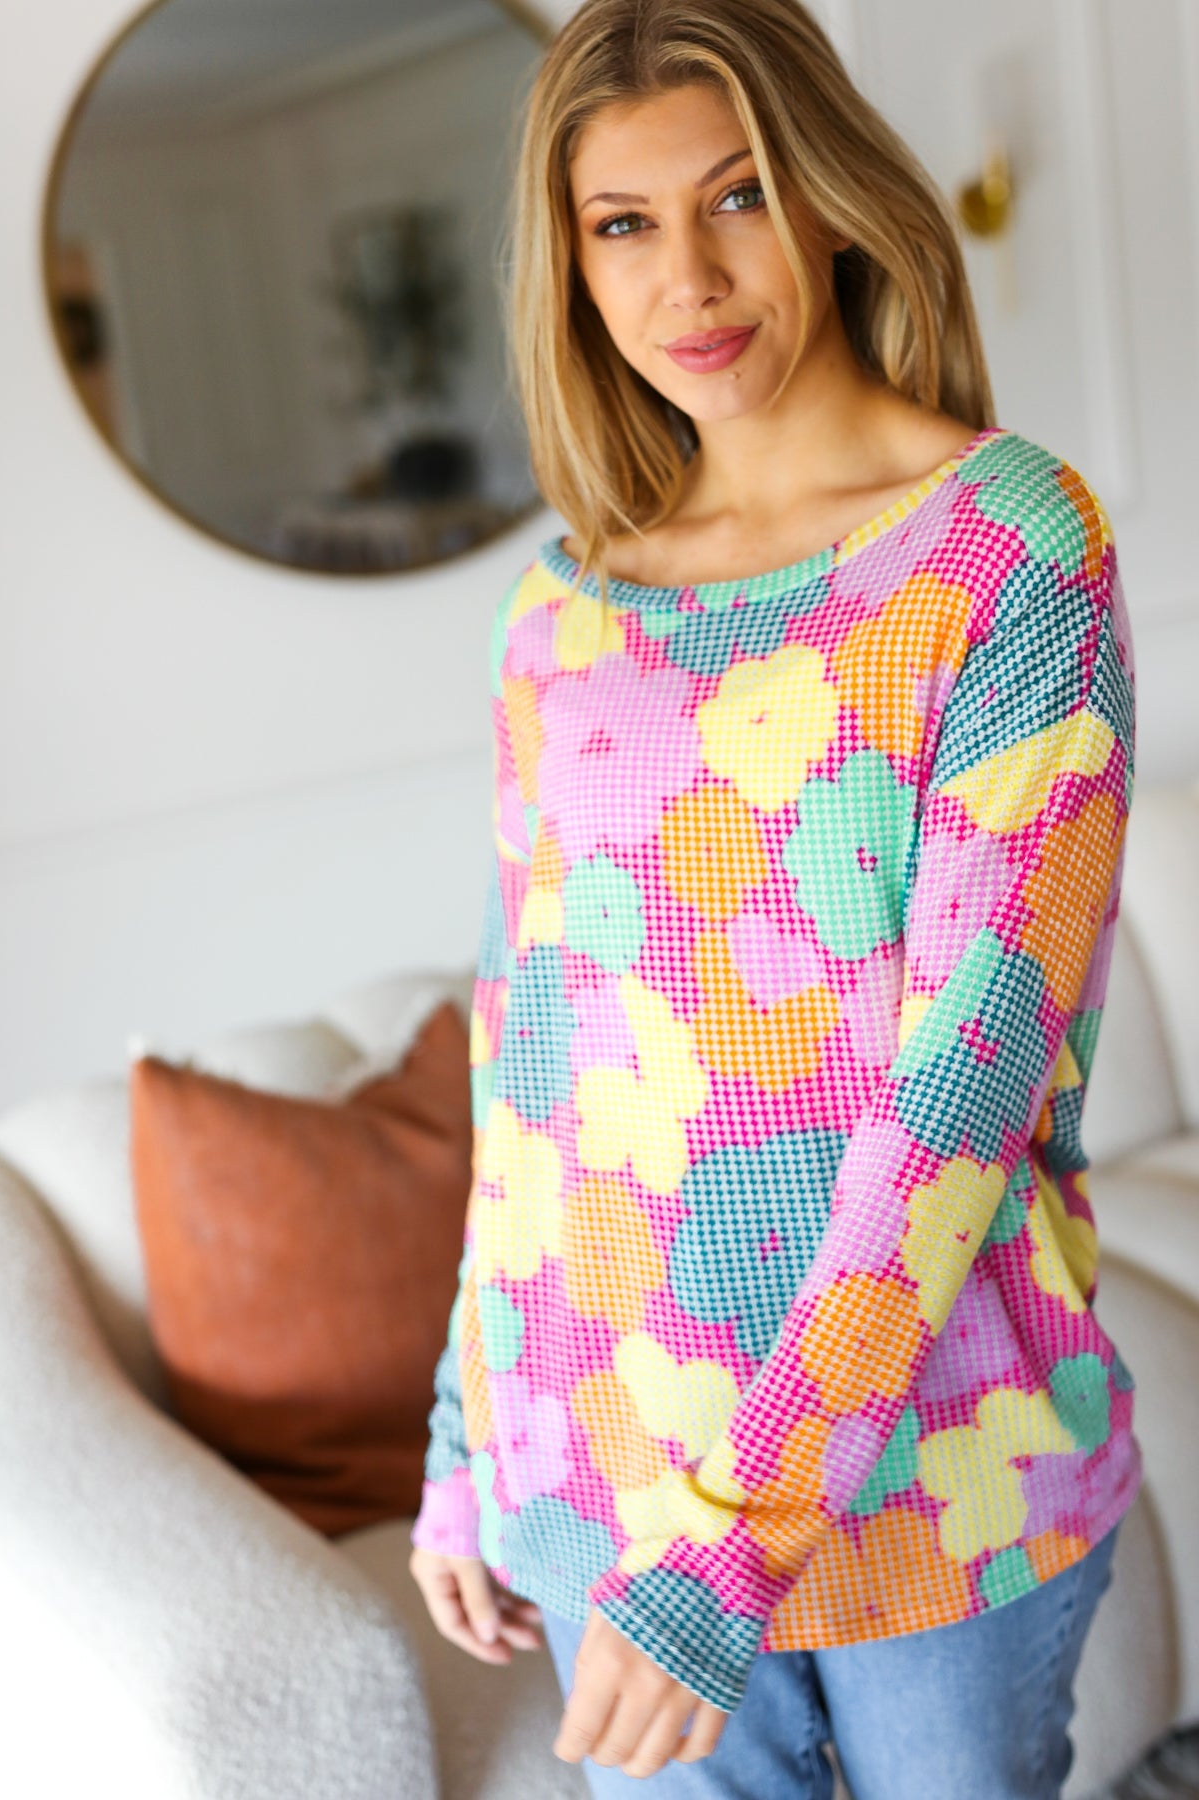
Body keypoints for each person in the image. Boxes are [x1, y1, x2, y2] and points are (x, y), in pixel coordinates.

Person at [409, 2, 1141, 1794]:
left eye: (736, 194)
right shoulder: (557, 616)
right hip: (604, 1479)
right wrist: (460, 1441)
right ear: (572, 264)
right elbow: (528, 1066)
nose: (690, 276)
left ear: (827, 194)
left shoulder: (1006, 548)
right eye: (624, 223)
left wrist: (736, 1546)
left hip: (939, 1476)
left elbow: (961, 1090)